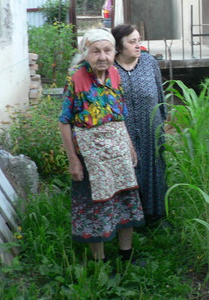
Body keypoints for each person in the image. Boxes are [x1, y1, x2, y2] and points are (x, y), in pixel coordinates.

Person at [59, 28, 144, 262]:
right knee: (94, 205)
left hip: (118, 147)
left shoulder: (114, 74)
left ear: (115, 52)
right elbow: (64, 121)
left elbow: (120, 114)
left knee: (126, 197)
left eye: (107, 50)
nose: (103, 57)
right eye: (96, 51)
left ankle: (126, 255)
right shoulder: (76, 77)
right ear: (86, 53)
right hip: (90, 154)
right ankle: (100, 262)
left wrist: (129, 146)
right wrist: (73, 160)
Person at [111, 24, 168, 225]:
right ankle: (130, 219)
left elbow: (159, 94)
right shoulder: (110, 68)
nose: (138, 45)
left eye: (139, 40)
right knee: (128, 170)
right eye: (132, 42)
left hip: (150, 126)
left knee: (155, 169)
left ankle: (156, 215)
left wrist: (162, 121)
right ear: (119, 46)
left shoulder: (149, 62)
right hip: (123, 131)